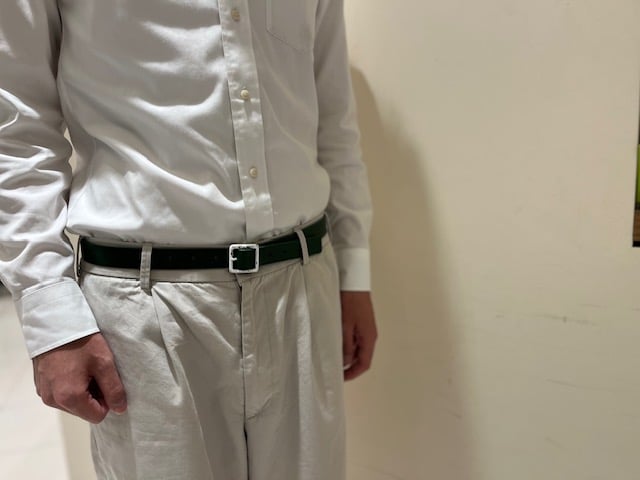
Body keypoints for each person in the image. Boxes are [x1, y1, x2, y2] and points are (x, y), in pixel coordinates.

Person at [0, 0, 377, 478]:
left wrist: (353, 272)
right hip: (146, 310)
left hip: (302, 288)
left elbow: (333, 114)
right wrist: (51, 319)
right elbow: (17, 130)